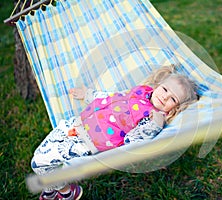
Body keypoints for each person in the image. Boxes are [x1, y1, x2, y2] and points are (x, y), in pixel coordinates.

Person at [31, 65, 200, 200]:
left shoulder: (152, 118)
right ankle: (53, 191)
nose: (164, 97)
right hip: (73, 126)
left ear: (174, 109)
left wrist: (155, 124)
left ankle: (67, 192)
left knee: (39, 162)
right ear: (157, 86)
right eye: (165, 90)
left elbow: (134, 141)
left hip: (86, 142)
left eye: (172, 99)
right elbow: (111, 98)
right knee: (42, 160)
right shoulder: (139, 93)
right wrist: (88, 95)